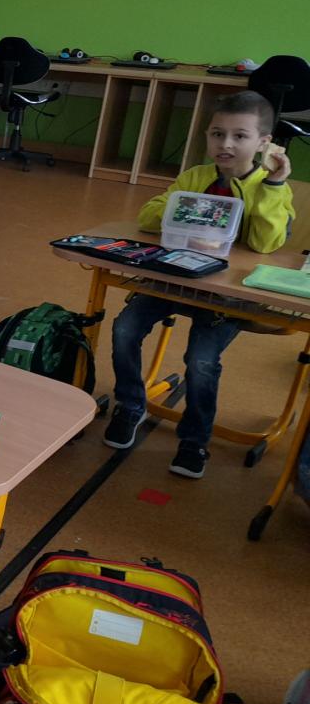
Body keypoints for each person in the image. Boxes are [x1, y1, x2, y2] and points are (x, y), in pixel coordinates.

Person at [102, 90, 294, 479]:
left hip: (225, 295)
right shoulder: (195, 177)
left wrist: (273, 187)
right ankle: (130, 405)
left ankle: (194, 439)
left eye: (240, 136)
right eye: (217, 134)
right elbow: (148, 217)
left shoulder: (270, 186)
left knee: (201, 361)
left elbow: (265, 243)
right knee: (125, 329)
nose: (226, 145)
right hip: (175, 280)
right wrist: (188, 212)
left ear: (264, 142)